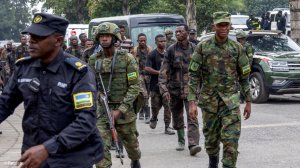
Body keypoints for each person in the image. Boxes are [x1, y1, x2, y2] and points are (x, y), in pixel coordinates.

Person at [0, 12, 103, 168]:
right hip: (33, 156)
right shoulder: (24, 69)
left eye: (39, 37)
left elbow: (85, 121)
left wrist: (47, 148)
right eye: (30, 36)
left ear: (58, 40)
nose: (31, 41)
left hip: (71, 158)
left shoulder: (78, 73)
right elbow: (4, 104)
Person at [188, 11, 251, 168]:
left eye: (226, 25)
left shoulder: (237, 48)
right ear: (214, 26)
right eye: (220, 25)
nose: (223, 28)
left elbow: (244, 77)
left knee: (231, 141)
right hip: (209, 102)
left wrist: (248, 100)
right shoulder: (203, 47)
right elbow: (193, 75)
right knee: (211, 140)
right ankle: (213, 163)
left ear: (230, 26)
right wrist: (191, 102)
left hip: (231, 103)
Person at [89, 22, 142, 168]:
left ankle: (135, 161)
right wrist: (98, 96)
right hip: (102, 110)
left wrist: (121, 109)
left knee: (132, 147)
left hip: (124, 110)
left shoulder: (127, 58)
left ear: (115, 38)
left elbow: (134, 86)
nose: (104, 39)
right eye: (101, 36)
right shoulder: (94, 59)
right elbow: (90, 84)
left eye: (107, 36)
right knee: (100, 145)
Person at [159, 23, 201, 155]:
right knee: (177, 117)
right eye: (176, 32)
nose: (177, 34)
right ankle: (181, 140)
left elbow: (203, 70)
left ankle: (193, 144)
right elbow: (163, 71)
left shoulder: (195, 49)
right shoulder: (171, 50)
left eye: (180, 31)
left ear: (187, 33)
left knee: (192, 116)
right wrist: (164, 90)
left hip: (191, 91)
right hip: (174, 90)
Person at [144, 34, 175, 135]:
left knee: (168, 105)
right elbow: (147, 68)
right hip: (155, 85)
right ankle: (154, 117)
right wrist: (159, 72)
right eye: (160, 41)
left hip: (167, 86)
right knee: (155, 106)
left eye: (164, 41)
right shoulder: (152, 54)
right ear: (156, 42)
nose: (163, 43)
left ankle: (167, 127)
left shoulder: (169, 53)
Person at [133, 33, 152, 123]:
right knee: (143, 94)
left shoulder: (150, 50)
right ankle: (147, 115)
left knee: (147, 95)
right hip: (139, 75)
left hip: (149, 75)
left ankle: (142, 110)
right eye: (141, 40)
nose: (143, 42)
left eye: (144, 40)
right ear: (138, 41)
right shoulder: (135, 50)